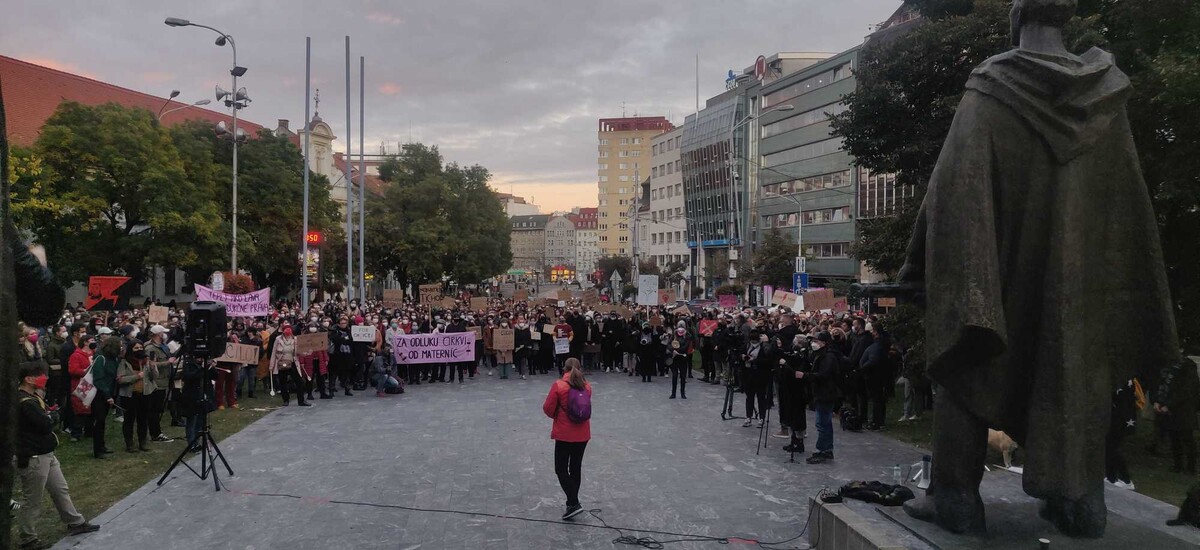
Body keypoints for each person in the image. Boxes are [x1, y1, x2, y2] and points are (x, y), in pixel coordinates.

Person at [13, 362, 100, 549]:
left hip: (47, 453)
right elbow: (45, 424)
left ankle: (75, 521)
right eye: (41, 375)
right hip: (33, 456)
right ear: (29, 379)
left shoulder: (34, 396)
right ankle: (28, 538)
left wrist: (49, 415)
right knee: (33, 500)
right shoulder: (24, 402)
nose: (45, 379)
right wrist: (53, 417)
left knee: (61, 490)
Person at [542, 358, 592, 521]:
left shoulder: (559, 385)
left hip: (564, 433)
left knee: (561, 468)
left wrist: (558, 415)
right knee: (575, 468)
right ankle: (572, 504)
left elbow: (548, 409)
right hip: (583, 433)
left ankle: (573, 502)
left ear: (565, 368)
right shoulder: (587, 386)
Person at [803, 332, 840, 464]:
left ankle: (823, 450)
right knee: (824, 423)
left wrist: (806, 376)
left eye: (816, 341)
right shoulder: (821, 355)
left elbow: (823, 375)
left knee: (822, 423)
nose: (814, 343)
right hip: (823, 392)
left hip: (826, 393)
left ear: (823, 343)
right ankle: (826, 449)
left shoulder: (828, 357)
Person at [116, 341, 156, 452]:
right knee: (129, 420)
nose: (139, 349)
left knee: (143, 419)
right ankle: (129, 444)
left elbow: (153, 377)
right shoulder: (124, 362)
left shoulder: (146, 361)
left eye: (140, 347)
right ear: (131, 349)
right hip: (129, 395)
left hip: (145, 394)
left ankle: (143, 443)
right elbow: (120, 379)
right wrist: (136, 376)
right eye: (136, 348)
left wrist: (153, 367)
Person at [90, 337, 121, 459]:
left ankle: (102, 446)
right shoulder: (100, 358)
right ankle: (97, 450)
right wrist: (107, 396)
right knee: (99, 421)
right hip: (100, 394)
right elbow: (98, 379)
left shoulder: (114, 358)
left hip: (109, 392)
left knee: (102, 422)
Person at [144, 325, 175, 443]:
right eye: (163, 332)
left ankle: (156, 432)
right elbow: (151, 364)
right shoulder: (151, 348)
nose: (165, 335)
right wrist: (168, 362)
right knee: (154, 409)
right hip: (156, 382)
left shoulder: (162, 346)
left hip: (163, 380)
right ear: (158, 334)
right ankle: (155, 433)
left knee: (158, 408)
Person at [271, 325, 310, 407]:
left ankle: (301, 400)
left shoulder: (296, 339)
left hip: (293, 362)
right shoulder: (278, 339)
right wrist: (271, 365)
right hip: (281, 363)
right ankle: (286, 400)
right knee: (283, 382)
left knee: (299, 381)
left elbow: (300, 351)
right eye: (286, 329)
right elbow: (274, 352)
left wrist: (306, 353)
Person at [668, 326, 690, 399]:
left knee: (683, 377)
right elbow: (668, 344)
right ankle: (673, 393)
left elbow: (686, 347)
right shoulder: (673, 336)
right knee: (674, 376)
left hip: (683, 359)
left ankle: (682, 393)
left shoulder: (687, 337)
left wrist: (678, 350)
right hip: (674, 359)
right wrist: (672, 350)